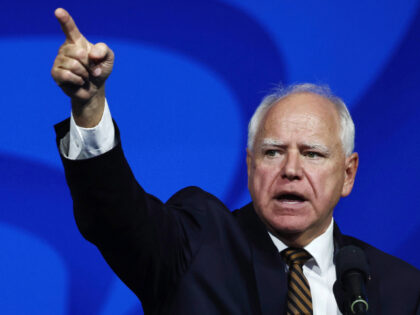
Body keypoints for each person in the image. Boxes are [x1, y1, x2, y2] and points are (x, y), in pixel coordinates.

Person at [52, 8, 420, 315]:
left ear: (348, 174)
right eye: (273, 152)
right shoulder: (196, 245)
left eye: (312, 154)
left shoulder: (398, 288)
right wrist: (89, 107)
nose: (291, 170)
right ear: (250, 166)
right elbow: (114, 216)